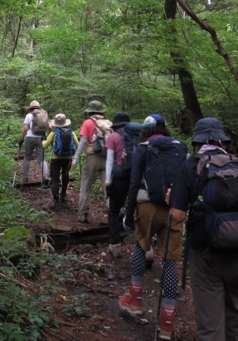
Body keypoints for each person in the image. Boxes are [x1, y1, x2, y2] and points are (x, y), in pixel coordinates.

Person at [169, 117, 238, 341]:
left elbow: (177, 216)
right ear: (223, 142)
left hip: (206, 253)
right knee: (235, 306)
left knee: (211, 320)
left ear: (197, 143)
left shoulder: (190, 166)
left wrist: (171, 201)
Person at [119, 114, 187, 340]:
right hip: (174, 208)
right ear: (164, 128)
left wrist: (128, 214)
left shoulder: (143, 148)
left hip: (147, 206)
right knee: (170, 260)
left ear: (145, 130)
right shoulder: (180, 148)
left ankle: (135, 300)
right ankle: (167, 321)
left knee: (141, 246)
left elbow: (134, 182)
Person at [71, 100, 111, 224]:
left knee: (85, 187)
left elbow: (83, 141)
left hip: (92, 157)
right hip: (107, 158)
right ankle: (113, 214)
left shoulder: (87, 122)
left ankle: (83, 215)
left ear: (90, 111)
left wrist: (75, 159)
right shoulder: (109, 123)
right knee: (108, 187)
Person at [105, 111, 132, 257]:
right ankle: (145, 246)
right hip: (134, 178)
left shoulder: (113, 136)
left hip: (119, 178)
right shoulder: (136, 136)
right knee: (134, 209)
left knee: (114, 210)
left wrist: (108, 181)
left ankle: (115, 245)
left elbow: (110, 161)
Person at [43, 113, 78, 209]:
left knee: (54, 179)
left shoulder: (53, 133)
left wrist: (43, 140)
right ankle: (63, 194)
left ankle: (56, 200)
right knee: (65, 176)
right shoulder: (72, 133)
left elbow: (44, 145)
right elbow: (78, 144)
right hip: (68, 158)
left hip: (55, 159)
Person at [18, 100, 49, 185]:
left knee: (27, 158)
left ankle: (25, 178)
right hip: (41, 138)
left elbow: (25, 129)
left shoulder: (28, 115)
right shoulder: (44, 115)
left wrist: (22, 138)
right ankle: (45, 177)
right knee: (41, 159)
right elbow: (49, 127)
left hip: (29, 137)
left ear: (31, 107)